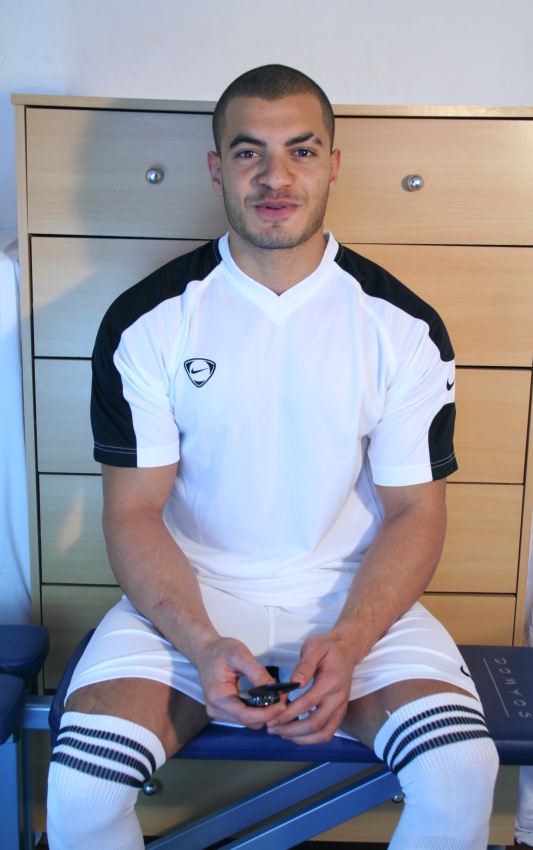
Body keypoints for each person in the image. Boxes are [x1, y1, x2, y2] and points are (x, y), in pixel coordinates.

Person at [47, 64, 499, 850]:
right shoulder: (148, 321)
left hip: (351, 600)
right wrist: (199, 640)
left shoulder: (401, 326)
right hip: (189, 602)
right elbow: (133, 511)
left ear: (333, 163)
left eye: (301, 150)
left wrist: (352, 638)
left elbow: (415, 511)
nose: (276, 176)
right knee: (82, 789)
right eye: (249, 151)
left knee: (459, 771)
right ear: (217, 166)